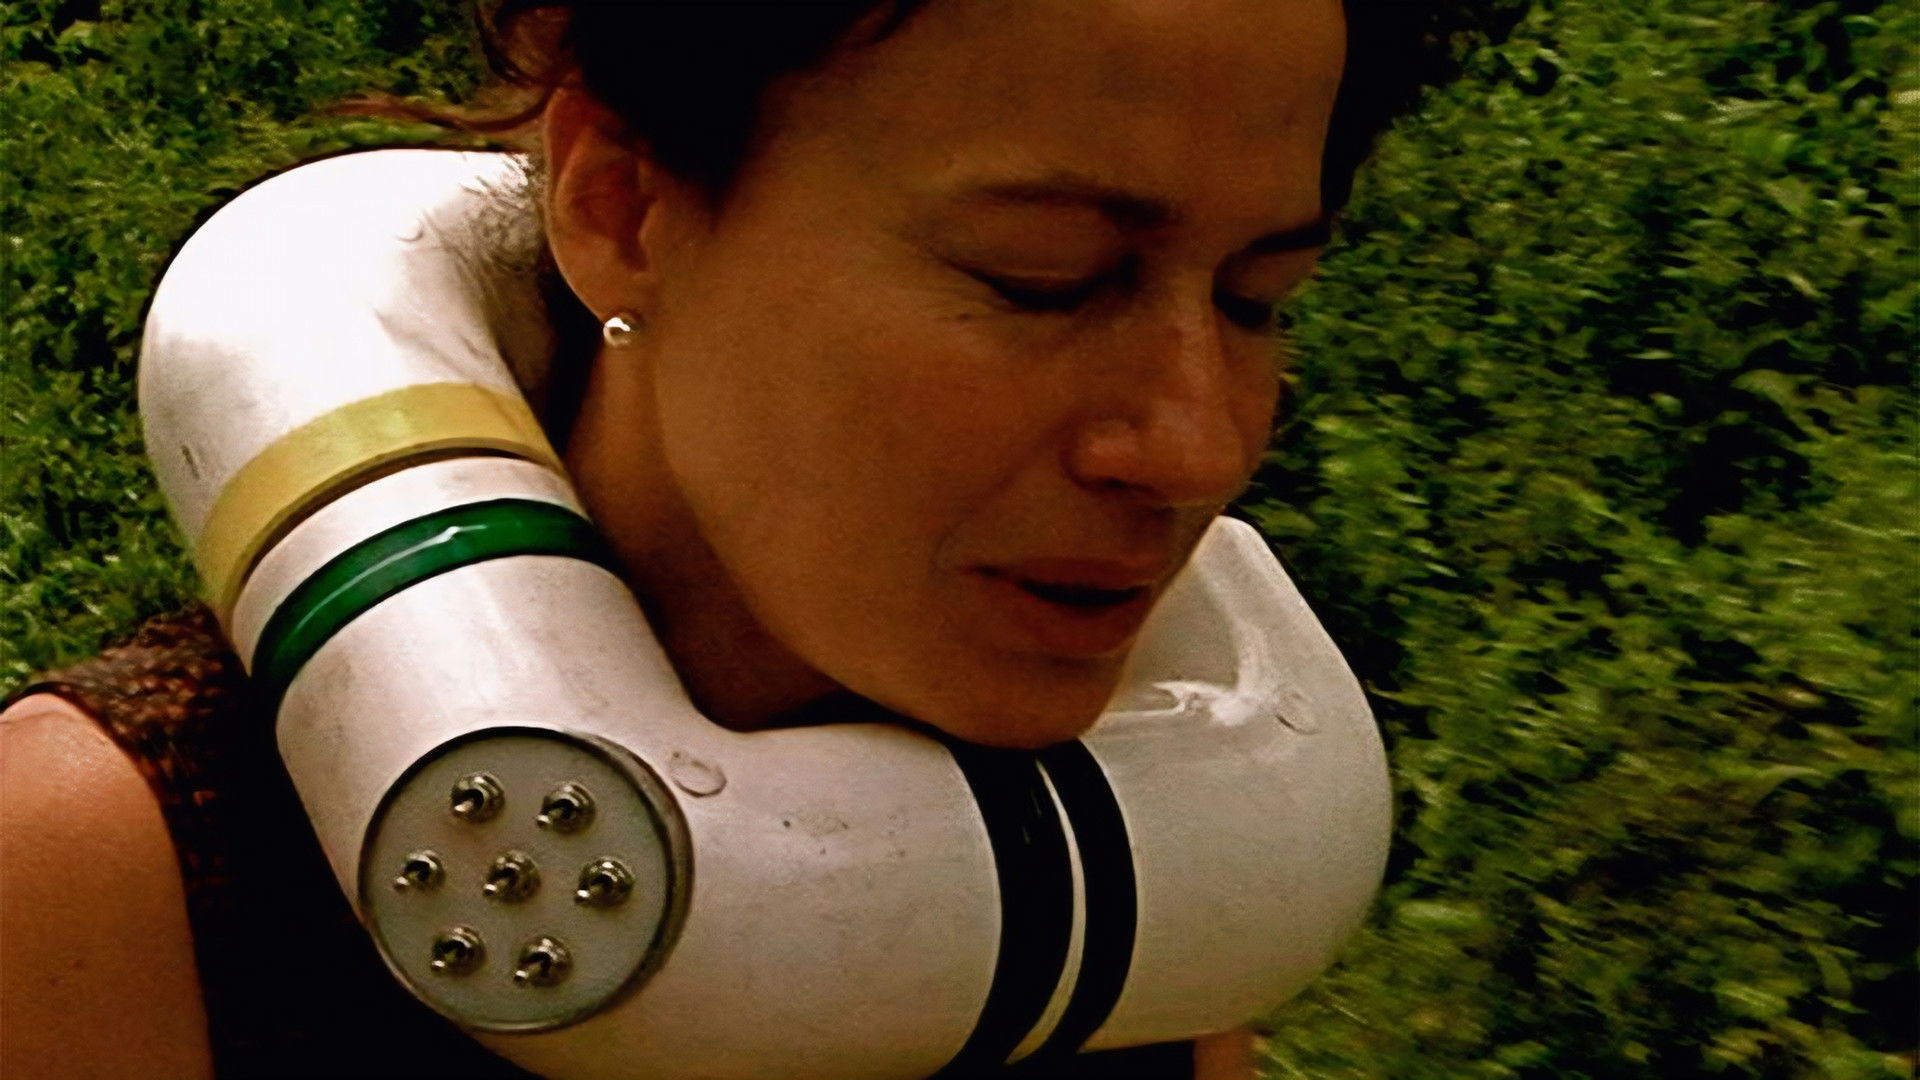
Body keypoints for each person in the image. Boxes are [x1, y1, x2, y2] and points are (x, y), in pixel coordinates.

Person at [0, 1, 1521, 1076]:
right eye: (1041, 277)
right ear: (621, 208)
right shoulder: (103, 882)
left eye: (1258, 301)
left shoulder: (1152, 883)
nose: (1199, 448)